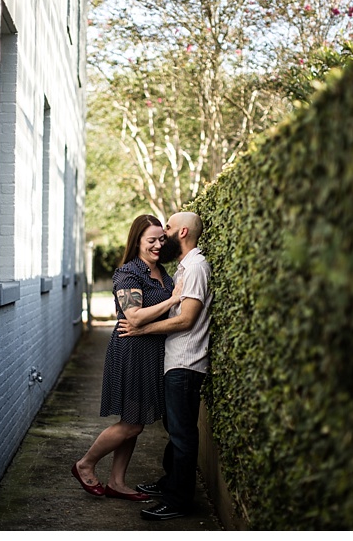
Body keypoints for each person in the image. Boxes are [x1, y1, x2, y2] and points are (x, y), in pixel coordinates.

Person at [72, 214, 181, 501]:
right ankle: (85, 464)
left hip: (152, 350)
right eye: (151, 240)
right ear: (137, 241)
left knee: (135, 420)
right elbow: (133, 315)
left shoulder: (162, 272)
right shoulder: (129, 273)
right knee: (132, 423)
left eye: (161, 239)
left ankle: (117, 482)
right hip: (132, 351)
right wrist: (172, 300)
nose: (158, 245)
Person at [117, 211, 213, 521]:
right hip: (174, 361)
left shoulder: (195, 267)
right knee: (175, 431)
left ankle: (178, 500)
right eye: (155, 236)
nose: (163, 237)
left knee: (182, 435)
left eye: (167, 230)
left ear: (182, 232)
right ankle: (170, 483)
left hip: (186, 362)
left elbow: (186, 319)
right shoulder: (180, 268)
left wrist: (141, 329)